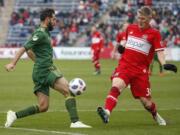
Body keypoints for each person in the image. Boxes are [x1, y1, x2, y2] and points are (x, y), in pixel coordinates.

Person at [4, 8, 91, 128]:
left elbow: (30, 51)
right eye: (54, 19)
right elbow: (24, 48)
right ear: (47, 19)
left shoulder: (45, 33)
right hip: (46, 70)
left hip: (40, 71)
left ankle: (14, 115)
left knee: (43, 107)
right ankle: (75, 122)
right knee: (68, 90)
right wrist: (12, 63)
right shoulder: (40, 33)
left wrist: (38, 61)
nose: (55, 22)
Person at [97, 6, 177, 126]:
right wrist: (122, 49)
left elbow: (159, 52)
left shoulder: (154, 34)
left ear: (150, 18)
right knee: (116, 86)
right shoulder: (130, 28)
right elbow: (127, 45)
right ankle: (107, 112)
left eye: (143, 19)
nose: (140, 20)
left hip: (140, 71)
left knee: (146, 103)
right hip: (125, 66)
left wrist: (164, 64)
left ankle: (155, 115)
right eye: (139, 18)